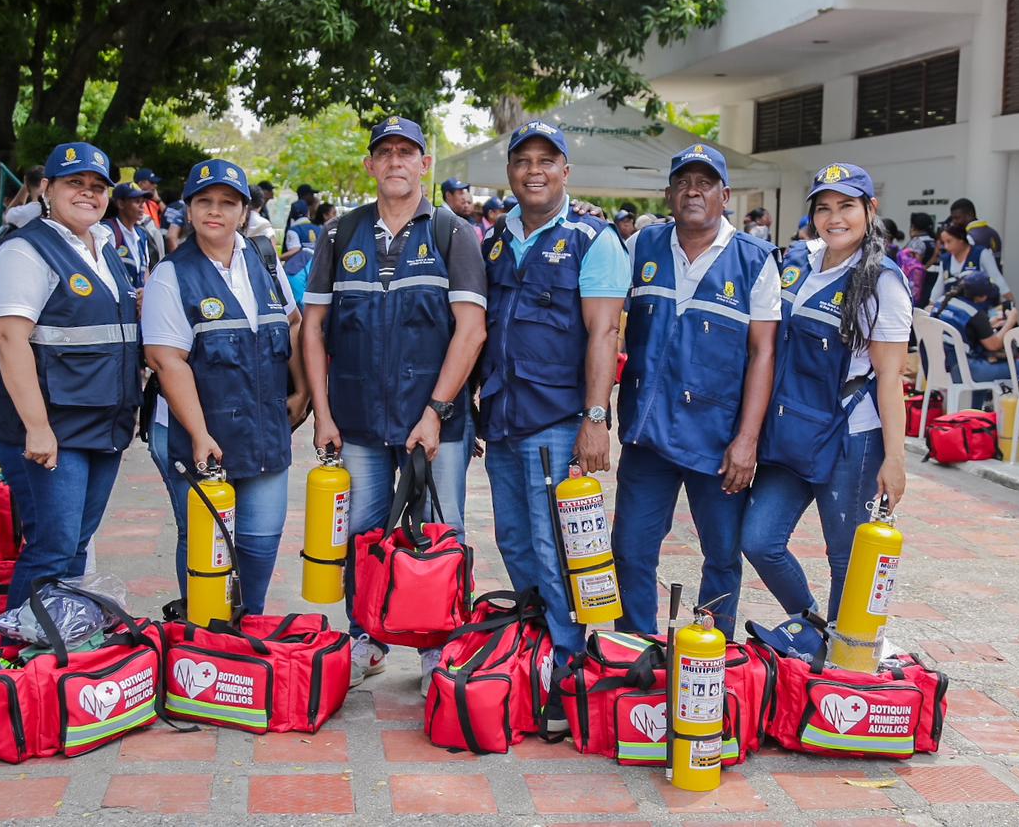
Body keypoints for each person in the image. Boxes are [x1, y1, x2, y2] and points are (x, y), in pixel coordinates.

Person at [301, 116, 486, 694]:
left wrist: (435, 411)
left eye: (409, 152)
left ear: (425, 164)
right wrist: (324, 415)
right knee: (363, 532)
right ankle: (367, 639)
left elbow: (472, 330)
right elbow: (312, 327)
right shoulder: (339, 235)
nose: (397, 162)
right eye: (386, 153)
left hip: (436, 423)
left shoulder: (455, 234)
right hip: (356, 420)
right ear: (371, 165)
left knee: (440, 531)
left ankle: (438, 647)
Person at [477, 120, 629, 701]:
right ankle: (533, 643)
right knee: (513, 541)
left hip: (559, 420)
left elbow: (603, 333)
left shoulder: (594, 241)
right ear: (511, 172)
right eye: (523, 161)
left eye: (547, 161)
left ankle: (565, 667)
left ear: (565, 171)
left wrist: (595, 419)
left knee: (557, 546)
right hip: (504, 418)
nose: (534, 171)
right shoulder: (492, 240)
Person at [612, 143, 780, 637]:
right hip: (648, 430)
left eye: (705, 183)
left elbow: (763, 354)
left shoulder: (755, 260)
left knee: (723, 555)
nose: (693, 191)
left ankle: (709, 659)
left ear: (725, 195)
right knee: (630, 550)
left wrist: (747, 440)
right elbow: (603, 324)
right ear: (668, 193)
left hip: (719, 439)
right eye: (683, 182)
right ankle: (636, 650)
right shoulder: (640, 247)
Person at [741, 163, 912, 623]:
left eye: (846, 207)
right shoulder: (796, 262)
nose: (834, 218)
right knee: (758, 540)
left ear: (869, 210)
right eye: (824, 208)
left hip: (851, 437)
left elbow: (890, 378)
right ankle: (814, 624)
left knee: (845, 559)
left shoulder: (883, 282)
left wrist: (894, 459)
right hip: (792, 428)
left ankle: (839, 662)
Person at [141, 159, 307, 607]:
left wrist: (304, 390)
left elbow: (293, 326)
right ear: (189, 210)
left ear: (244, 211)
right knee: (205, 544)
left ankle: (245, 633)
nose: (215, 211)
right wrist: (199, 434)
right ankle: (202, 640)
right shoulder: (171, 276)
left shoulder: (265, 262)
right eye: (204, 202)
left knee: (260, 540)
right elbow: (166, 360)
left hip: (265, 428)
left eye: (227, 203)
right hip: (196, 432)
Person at [0, 142, 141, 610]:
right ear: (47, 188)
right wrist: (36, 426)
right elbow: (10, 339)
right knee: (51, 549)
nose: (88, 194)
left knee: (76, 546)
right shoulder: (25, 250)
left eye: (97, 187)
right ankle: (13, 659)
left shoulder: (104, 247)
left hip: (103, 423)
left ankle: (56, 654)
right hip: (52, 429)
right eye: (75, 183)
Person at [931, 270, 1019, 385]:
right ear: (982, 296)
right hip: (962, 370)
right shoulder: (975, 313)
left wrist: (988, 324)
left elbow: (962, 327)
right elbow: (994, 345)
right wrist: (1011, 321)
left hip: (936, 366)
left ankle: (974, 403)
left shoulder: (942, 301)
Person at [929, 222, 1011, 304]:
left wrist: (1010, 301)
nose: (946, 247)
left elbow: (996, 277)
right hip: (954, 309)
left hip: (980, 308)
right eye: (944, 243)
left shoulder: (981, 253)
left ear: (961, 239)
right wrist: (931, 305)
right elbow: (939, 285)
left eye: (949, 241)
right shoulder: (945, 259)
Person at [102, 183, 153, 289]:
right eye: (137, 201)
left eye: (143, 202)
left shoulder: (142, 235)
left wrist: (145, 292)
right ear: (120, 204)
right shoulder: (107, 231)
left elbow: (145, 272)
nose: (142, 206)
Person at [950, 197, 1004, 271]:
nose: (954, 222)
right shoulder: (993, 232)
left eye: (957, 218)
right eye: (953, 218)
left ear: (970, 214)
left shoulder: (969, 237)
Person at [901, 212, 937, 309]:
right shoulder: (934, 241)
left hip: (919, 283)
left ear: (914, 226)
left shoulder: (917, 242)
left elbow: (914, 265)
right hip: (933, 280)